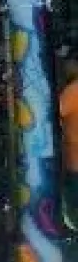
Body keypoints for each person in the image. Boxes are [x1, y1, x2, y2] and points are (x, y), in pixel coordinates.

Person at [60, 54, 78, 233]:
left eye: (68, 63)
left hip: (75, 160)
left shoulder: (73, 90)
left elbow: (54, 113)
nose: (65, 68)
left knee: (72, 206)